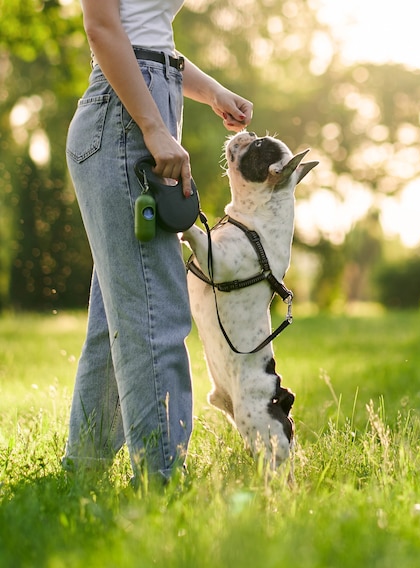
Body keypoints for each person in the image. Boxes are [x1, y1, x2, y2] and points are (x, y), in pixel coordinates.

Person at [63, 0, 252, 483]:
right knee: (155, 311)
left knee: (119, 318)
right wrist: (152, 127)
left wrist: (213, 93)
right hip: (125, 117)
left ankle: (83, 473)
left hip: (146, 97)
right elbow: (103, 29)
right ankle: (162, 480)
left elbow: (149, 39)